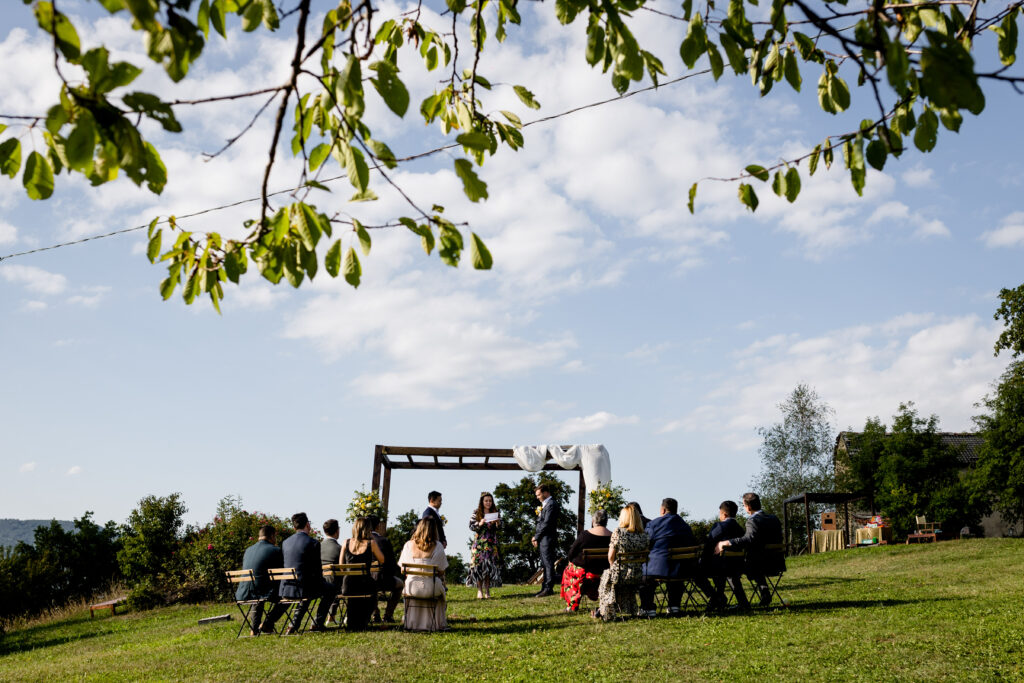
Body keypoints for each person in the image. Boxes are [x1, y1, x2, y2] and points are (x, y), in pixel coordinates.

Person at [715, 492, 785, 606]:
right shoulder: (774, 518)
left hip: (759, 564)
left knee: (731, 569)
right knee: (752, 562)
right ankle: (764, 591)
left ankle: (742, 602)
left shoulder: (753, 521)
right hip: (777, 562)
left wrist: (726, 542)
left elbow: (748, 540)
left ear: (748, 507)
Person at [637, 497, 696, 617]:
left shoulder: (654, 524)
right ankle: (674, 606)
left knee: (644, 577)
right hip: (682, 568)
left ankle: (647, 608)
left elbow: (645, 542)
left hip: (657, 568)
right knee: (674, 570)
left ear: (663, 510)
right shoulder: (685, 526)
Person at [279, 512, 337, 633]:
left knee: (309, 588)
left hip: (286, 588)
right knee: (330, 589)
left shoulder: (285, 543)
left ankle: (293, 625)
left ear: (294, 527)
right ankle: (317, 622)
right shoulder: (313, 543)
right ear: (308, 525)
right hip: (305, 587)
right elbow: (317, 569)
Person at [596, 502, 649, 620]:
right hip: (638, 575)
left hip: (621, 574)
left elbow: (610, 557)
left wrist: (612, 567)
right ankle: (628, 608)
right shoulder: (644, 535)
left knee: (607, 576)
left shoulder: (619, 532)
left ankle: (606, 610)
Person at [398, 518, 449, 631]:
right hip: (431, 589)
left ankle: (412, 623)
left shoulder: (408, 545)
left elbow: (402, 570)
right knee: (440, 588)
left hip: (411, 588)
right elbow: (441, 571)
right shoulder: (438, 546)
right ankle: (435, 624)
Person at [237, 524, 286, 635]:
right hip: (261, 592)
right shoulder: (275, 550)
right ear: (272, 536)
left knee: (258, 594)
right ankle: (268, 624)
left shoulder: (248, 550)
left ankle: (254, 629)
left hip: (244, 592)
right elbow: (282, 571)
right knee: (288, 596)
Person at [560, 509, 612, 612]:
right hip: (604, 573)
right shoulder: (613, 535)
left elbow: (571, 553)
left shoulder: (585, 535)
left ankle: (572, 605)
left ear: (593, 521)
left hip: (585, 574)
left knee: (569, 570)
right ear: (606, 521)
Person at [340, 517, 386, 630]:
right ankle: (363, 621)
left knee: (353, 601)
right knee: (373, 591)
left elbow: (341, 566)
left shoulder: (345, 542)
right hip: (364, 585)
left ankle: (353, 623)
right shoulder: (371, 543)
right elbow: (382, 560)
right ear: (368, 529)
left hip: (348, 585)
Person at [703, 500, 748, 610]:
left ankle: (716, 598)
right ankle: (742, 601)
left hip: (720, 566)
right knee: (730, 575)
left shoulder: (719, 526)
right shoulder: (740, 528)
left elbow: (709, 544)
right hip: (738, 565)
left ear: (724, 514)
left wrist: (702, 559)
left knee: (700, 572)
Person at [367, 514, 404, 623]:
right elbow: (392, 563)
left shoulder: (361, 542)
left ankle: (375, 612)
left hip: (367, 581)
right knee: (399, 585)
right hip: (383, 580)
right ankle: (388, 615)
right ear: (378, 526)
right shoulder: (384, 541)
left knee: (371, 589)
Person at [467, 491, 503, 599]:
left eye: (490, 501)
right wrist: (480, 523)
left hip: (491, 544)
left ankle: (487, 591)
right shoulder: (476, 512)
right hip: (479, 544)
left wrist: (497, 523)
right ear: (482, 502)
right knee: (478, 567)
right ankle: (479, 591)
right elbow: (471, 526)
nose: (488, 503)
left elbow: (501, 527)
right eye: (486, 501)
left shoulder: (495, 512)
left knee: (489, 567)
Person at [531, 483, 560, 597]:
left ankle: (548, 588)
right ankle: (544, 587)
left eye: (539, 495)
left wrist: (536, 536)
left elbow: (547, 523)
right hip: (544, 538)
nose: (537, 497)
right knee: (544, 563)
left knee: (548, 564)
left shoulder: (551, 504)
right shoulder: (546, 504)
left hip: (548, 538)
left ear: (545, 493)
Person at [320, 518, 342, 624]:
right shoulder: (339, 548)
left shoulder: (317, 546)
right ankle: (331, 616)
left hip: (319, 581)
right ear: (337, 531)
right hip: (335, 584)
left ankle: (330, 617)